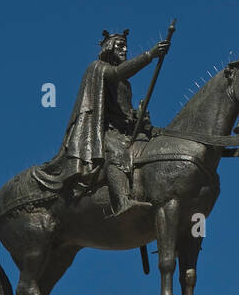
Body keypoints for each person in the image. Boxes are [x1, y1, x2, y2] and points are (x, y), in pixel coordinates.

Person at [38, 28, 170, 215]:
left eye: (126, 47)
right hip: (106, 132)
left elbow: (122, 112)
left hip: (123, 131)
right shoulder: (98, 68)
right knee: (117, 153)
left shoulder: (125, 84)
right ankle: (122, 202)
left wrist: (137, 116)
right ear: (109, 48)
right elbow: (116, 73)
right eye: (120, 46)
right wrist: (150, 55)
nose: (124, 50)